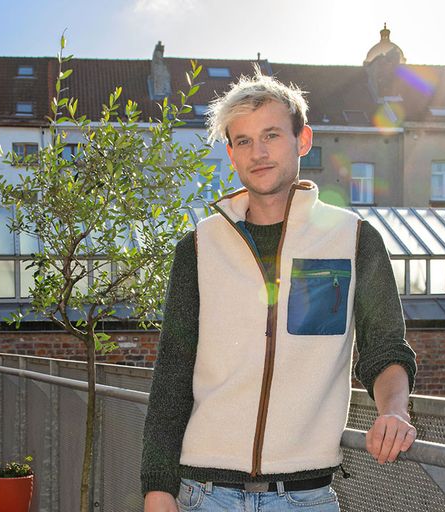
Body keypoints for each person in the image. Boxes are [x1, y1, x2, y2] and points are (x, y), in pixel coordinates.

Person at [141, 70, 417, 512]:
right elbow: (173, 372)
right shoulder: (198, 246)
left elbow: (384, 347)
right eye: (244, 141)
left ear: (302, 139)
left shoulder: (353, 239)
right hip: (203, 494)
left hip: (306, 497)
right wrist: (157, 487)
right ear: (230, 154)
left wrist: (394, 411)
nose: (259, 152)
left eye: (271, 134)